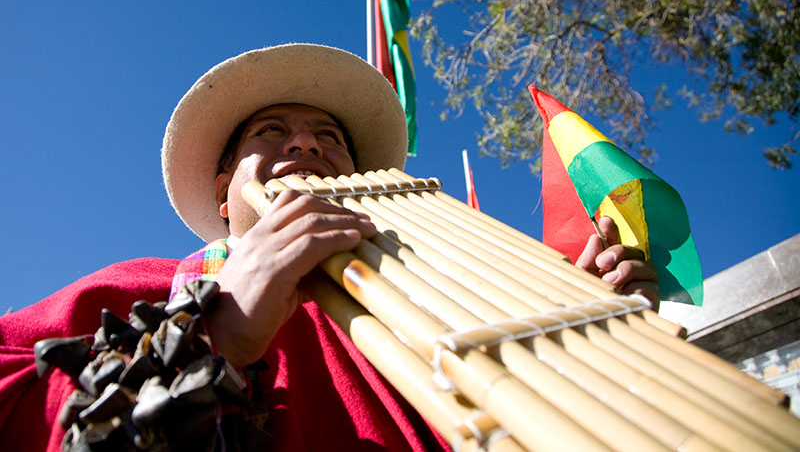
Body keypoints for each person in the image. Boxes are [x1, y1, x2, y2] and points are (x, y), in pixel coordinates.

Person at [0, 44, 658, 451]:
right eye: (272, 129)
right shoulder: (132, 287)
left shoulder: (453, 314)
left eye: (326, 135)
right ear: (225, 191)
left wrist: (605, 365)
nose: (306, 145)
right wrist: (209, 334)